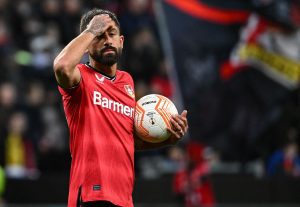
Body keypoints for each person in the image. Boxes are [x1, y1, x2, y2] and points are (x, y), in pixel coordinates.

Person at [53, 8, 188, 207]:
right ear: (87, 45)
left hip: (124, 198)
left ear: (121, 41)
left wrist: (168, 138)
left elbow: (127, 141)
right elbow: (62, 66)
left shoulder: (127, 82)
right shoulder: (80, 78)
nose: (107, 40)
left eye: (111, 34)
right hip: (92, 195)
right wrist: (91, 30)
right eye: (100, 36)